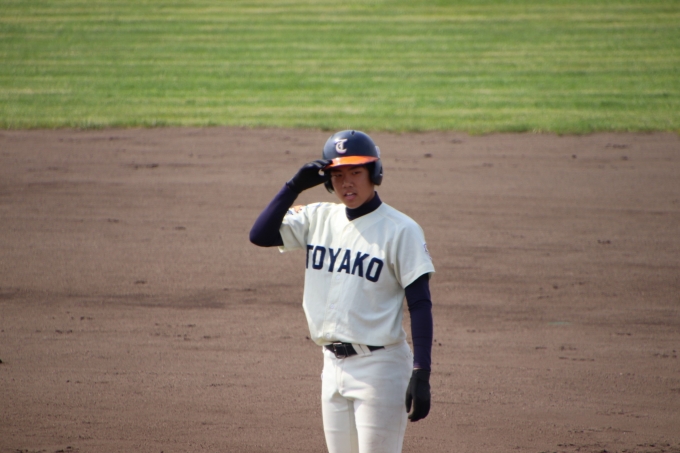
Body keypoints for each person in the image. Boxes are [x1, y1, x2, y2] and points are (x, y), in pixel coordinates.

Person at [249, 130, 435, 453]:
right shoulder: (318, 217)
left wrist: (422, 371)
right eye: (337, 175)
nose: (346, 183)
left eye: (356, 172)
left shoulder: (401, 229)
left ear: (375, 173)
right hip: (332, 366)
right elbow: (260, 234)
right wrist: (293, 186)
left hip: (380, 368)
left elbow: (420, 304)